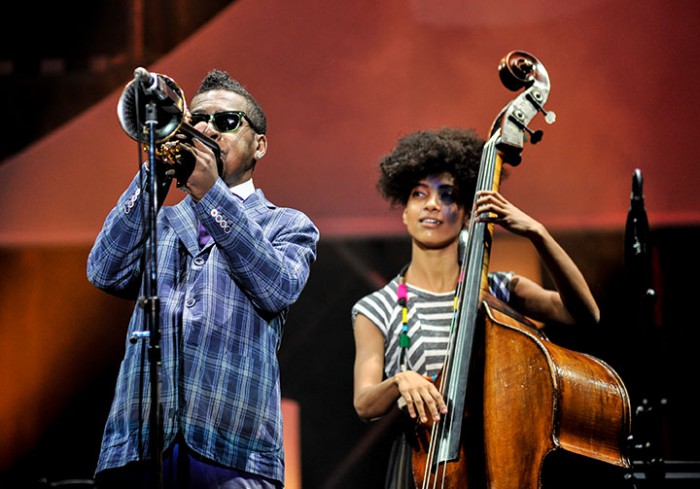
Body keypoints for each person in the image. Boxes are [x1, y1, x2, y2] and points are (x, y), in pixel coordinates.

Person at [88, 69, 319, 489]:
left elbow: (276, 288)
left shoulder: (288, 224)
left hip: (235, 453)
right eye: (197, 119)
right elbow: (104, 270)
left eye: (227, 121)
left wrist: (211, 192)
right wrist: (154, 175)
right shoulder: (159, 219)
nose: (208, 128)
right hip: (139, 448)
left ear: (260, 145)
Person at [351, 127, 600, 488]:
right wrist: (400, 381)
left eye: (447, 196)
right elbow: (365, 404)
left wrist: (537, 233)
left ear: (467, 213)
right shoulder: (378, 307)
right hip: (421, 468)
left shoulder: (498, 290)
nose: (433, 204)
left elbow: (584, 314)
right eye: (419, 195)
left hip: (496, 460)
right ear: (404, 212)